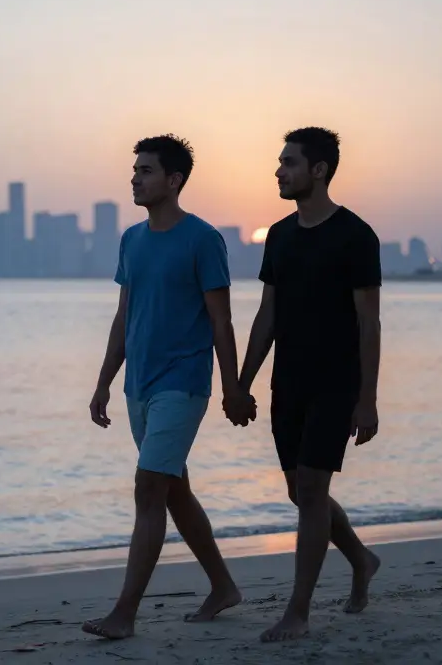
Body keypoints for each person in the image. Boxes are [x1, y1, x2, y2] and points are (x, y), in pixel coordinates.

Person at [84, 134, 256, 640]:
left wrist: (232, 387)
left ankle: (124, 614)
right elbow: (124, 316)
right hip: (139, 384)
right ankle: (223, 586)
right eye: (134, 170)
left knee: (149, 486)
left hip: (182, 384)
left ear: (174, 180)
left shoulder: (203, 240)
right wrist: (103, 382)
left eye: (146, 171)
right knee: (174, 489)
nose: (134, 178)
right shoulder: (132, 240)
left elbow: (221, 321)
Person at [236, 127, 383, 643]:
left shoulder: (356, 236)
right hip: (288, 383)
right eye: (280, 162)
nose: (279, 171)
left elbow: (370, 322)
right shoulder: (278, 235)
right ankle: (361, 559)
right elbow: (266, 314)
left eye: (289, 162)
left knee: (314, 487)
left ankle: (298, 612)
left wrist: (367, 400)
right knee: (302, 492)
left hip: (337, 382)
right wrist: (241, 382)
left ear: (318, 170)